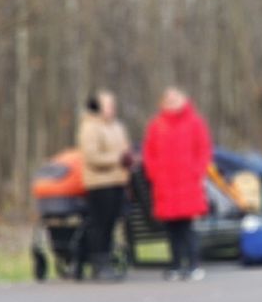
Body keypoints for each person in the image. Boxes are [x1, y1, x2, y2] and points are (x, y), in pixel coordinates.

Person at [142, 86, 213, 281]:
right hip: (165, 185)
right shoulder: (156, 125)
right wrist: (155, 174)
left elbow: (204, 150)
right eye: (168, 100)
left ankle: (193, 264)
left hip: (188, 184)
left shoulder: (195, 123)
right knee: (171, 228)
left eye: (175, 99)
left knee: (187, 227)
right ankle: (175, 264)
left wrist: (196, 172)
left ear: (184, 99)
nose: (172, 103)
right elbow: (149, 153)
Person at [76, 90, 132, 281]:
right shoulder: (90, 127)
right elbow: (91, 156)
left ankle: (107, 260)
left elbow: (124, 148)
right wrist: (118, 158)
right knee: (99, 224)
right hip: (99, 183)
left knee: (111, 224)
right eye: (109, 105)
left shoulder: (117, 126)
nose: (112, 109)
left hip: (118, 181)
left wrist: (128, 158)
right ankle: (98, 263)